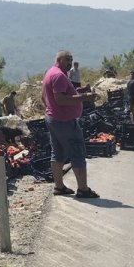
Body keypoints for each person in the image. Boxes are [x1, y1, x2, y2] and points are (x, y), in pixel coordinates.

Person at [41, 50, 99, 198]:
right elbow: (60, 99)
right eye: (67, 59)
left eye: (71, 60)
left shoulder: (50, 72)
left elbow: (46, 96)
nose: (70, 63)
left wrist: (79, 91)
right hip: (64, 121)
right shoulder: (59, 76)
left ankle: (59, 186)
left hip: (53, 118)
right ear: (59, 60)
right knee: (77, 152)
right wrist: (85, 97)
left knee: (57, 152)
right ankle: (83, 189)